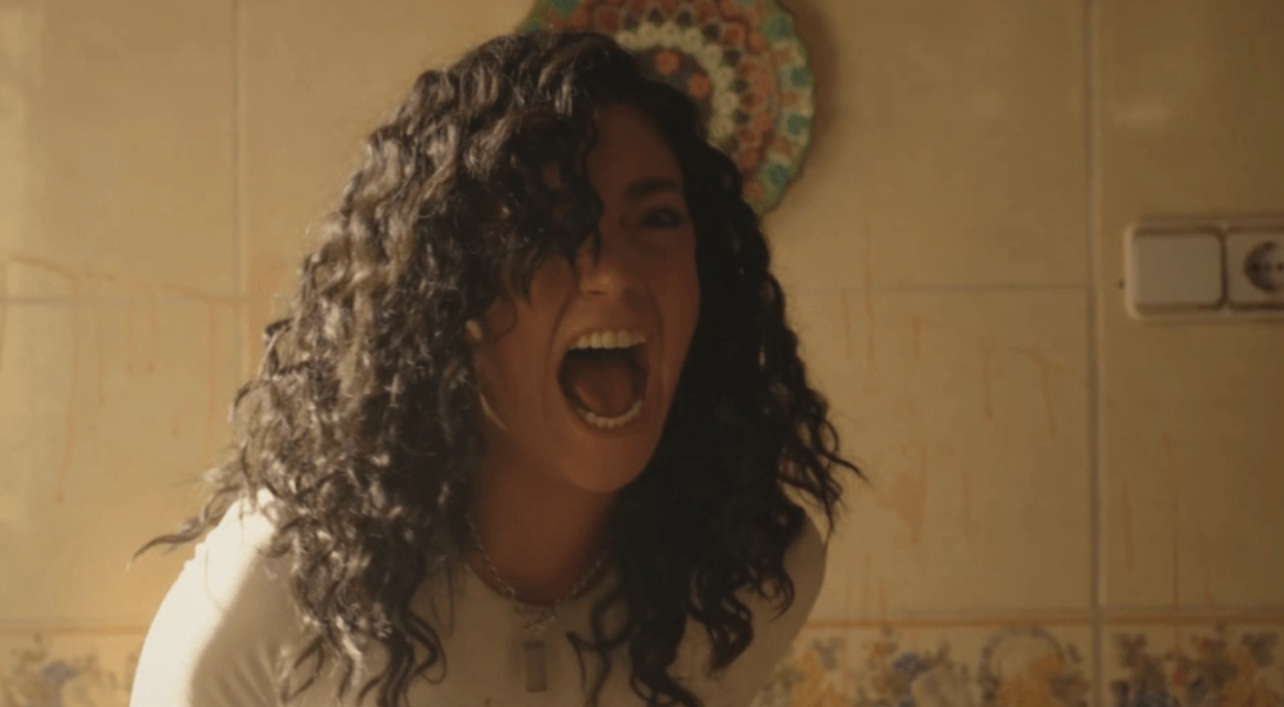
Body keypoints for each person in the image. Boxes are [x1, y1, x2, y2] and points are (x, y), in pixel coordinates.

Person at [128, 30, 863, 707]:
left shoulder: (745, 577)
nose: (614, 273)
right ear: (443, 295)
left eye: (656, 219)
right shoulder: (278, 599)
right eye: (547, 228)